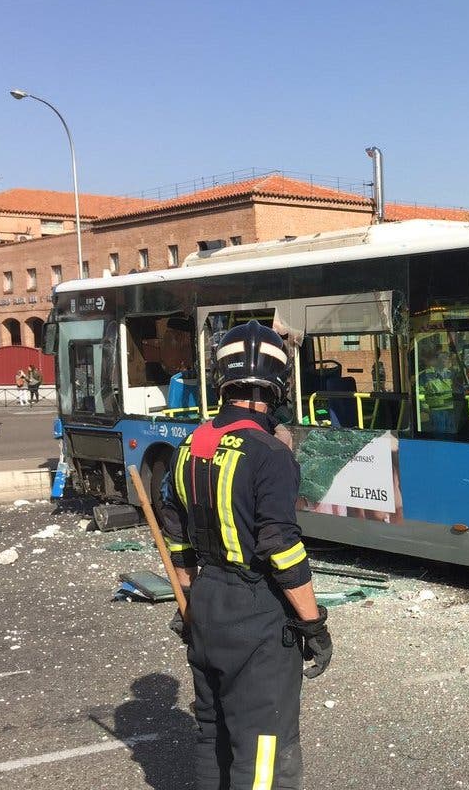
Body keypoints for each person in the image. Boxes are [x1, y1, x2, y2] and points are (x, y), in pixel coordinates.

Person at [159, 320, 332, 790]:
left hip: (206, 604)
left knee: (212, 735)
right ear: (276, 386)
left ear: (223, 381)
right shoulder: (270, 454)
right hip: (256, 612)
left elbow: (175, 535)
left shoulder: (189, 446)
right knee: (263, 752)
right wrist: (312, 623)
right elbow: (281, 545)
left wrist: (190, 601)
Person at [418, 349, 456, 434]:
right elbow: (420, 393)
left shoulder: (451, 374)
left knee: (452, 436)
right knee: (440, 435)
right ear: (437, 360)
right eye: (443, 358)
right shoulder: (425, 375)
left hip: (450, 409)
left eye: (447, 358)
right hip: (436, 410)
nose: (445, 360)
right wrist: (426, 408)